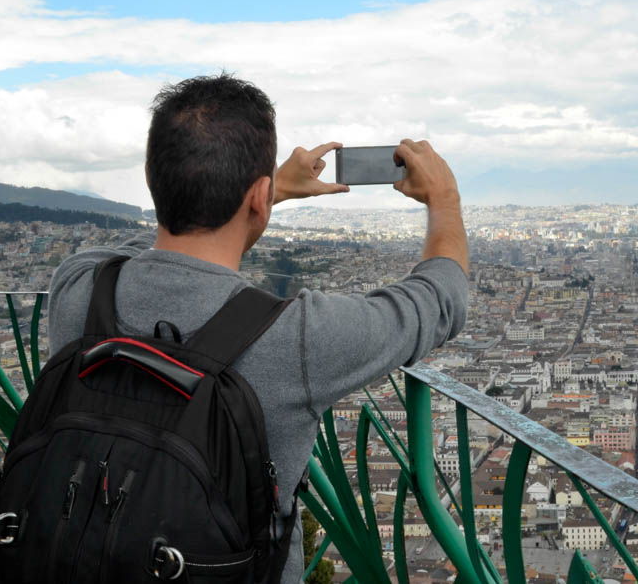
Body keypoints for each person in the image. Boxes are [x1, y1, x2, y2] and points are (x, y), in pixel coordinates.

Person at [47, 72, 469, 582]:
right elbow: (439, 299)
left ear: (152, 178)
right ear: (258, 196)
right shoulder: (297, 338)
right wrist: (445, 199)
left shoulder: (77, 289)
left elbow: (149, 245)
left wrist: (264, 192)